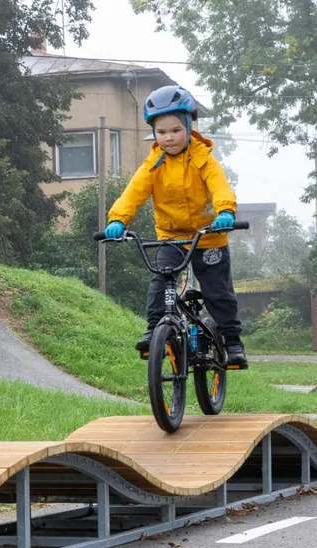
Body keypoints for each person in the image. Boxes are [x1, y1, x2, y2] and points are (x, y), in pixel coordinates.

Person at [104, 85, 246, 368]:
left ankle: (232, 341)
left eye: (175, 130)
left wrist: (226, 212)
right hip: (171, 237)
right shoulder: (153, 164)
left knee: (217, 292)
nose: (168, 138)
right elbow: (134, 192)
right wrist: (118, 219)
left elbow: (219, 187)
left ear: (189, 126)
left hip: (209, 236)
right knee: (161, 282)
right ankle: (155, 328)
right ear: (154, 134)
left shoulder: (202, 158)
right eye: (161, 132)